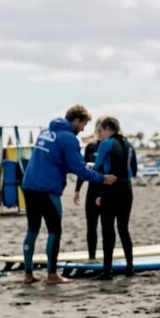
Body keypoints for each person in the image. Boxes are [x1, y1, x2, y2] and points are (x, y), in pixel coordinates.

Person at [21, 105, 116, 284]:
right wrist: (103, 178)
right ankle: (51, 275)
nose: (83, 129)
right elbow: (78, 169)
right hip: (47, 189)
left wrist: (83, 166)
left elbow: (57, 160)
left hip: (29, 185)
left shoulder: (46, 132)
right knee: (54, 230)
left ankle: (28, 274)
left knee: (32, 228)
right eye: (83, 124)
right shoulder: (69, 138)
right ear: (76, 120)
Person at [93, 116, 138, 280]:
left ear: (106, 129)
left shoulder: (106, 144)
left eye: (101, 130)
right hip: (126, 189)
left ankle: (107, 271)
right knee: (123, 229)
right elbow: (134, 169)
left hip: (110, 189)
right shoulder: (129, 144)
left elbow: (97, 166)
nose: (100, 133)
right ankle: (130, 268)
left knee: (107, 230)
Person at [73, 120, 105, 261]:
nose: (99, 131)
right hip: (92, 190)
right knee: (91, 226)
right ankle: (92, 257)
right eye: (97, 127)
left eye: (101, 128)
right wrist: (77, 190)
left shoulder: (111, 146)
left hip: (107, 190)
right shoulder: (91, 147)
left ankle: (107, 256)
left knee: (107, 226)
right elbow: (83, 168)